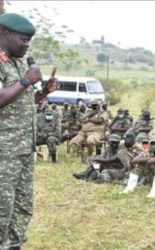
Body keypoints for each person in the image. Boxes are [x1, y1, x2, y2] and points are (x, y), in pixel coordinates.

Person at [0, 13, 58, 250]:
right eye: (23, 40)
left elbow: (20, 104)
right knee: (2, 205)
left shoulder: (19, 62)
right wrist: (25, 81)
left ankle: (14, 244)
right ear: (5, 34)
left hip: (23, 148)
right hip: (4, 151)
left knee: (22, 204)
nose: (27, 46)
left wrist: (42, 93)